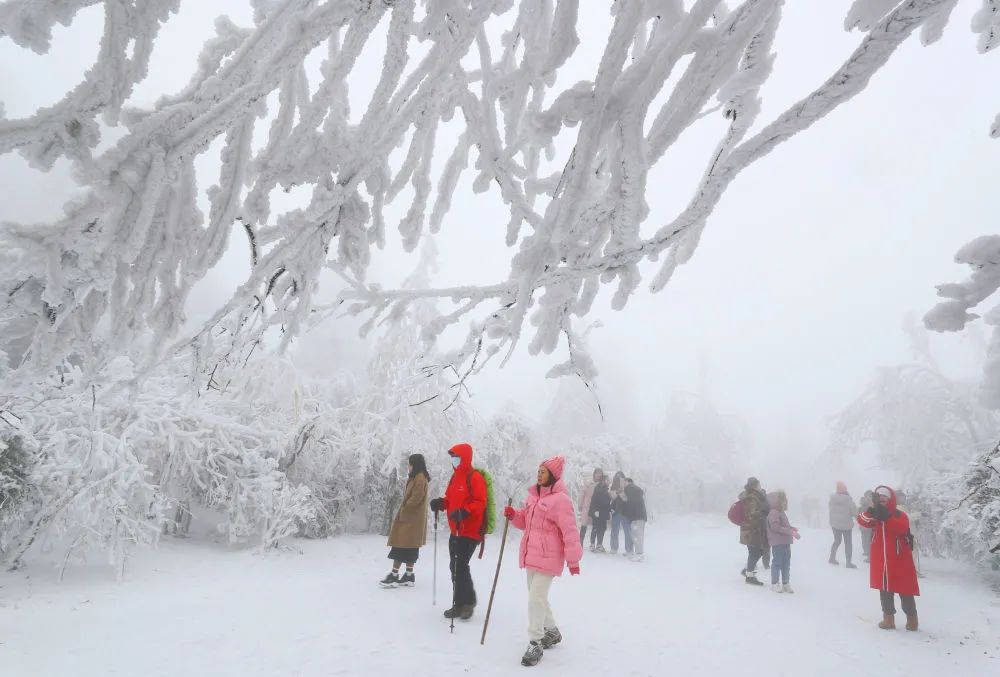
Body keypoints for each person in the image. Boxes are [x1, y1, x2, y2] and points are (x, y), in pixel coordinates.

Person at [503, 455, 583, 667]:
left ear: (553, 476)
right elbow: (525, 523)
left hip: (549, 557)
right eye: (538, 470)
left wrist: (573, 560)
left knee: (534, 598)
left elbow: (570, 531)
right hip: (530, 555)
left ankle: (535, 642)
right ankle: (553, 631)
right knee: (537, 597)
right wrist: (514, 515)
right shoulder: (533, 497)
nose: (539, 474)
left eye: (543, 471)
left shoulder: (561, 500)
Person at [428, 443, 487, 620]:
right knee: (455, 566)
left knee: (459, 566)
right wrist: (441, 503)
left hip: (470, 531)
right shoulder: (455, 478)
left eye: (456, 456)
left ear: (465, 458)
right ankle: (460, 603)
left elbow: (480, 501)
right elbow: (450, 499)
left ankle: (466, 604)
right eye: (452, 457)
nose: (454, 460)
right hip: (456, 530)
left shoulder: (474, 477)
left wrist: (465, 511)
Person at [857, 485, 920, 631]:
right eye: (879, 496)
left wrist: (887, 517)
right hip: (882, 559)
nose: (882, 499)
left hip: (899, 559)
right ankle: (888, 619)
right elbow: (862, 521)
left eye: (885, 496)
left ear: (891, 499)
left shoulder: (900, 514)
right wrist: (872, 510)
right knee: (884, 589)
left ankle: (912, 620)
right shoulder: (876, 514)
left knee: (905, 591)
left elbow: (902, 528)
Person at [379, 453, 430, 588]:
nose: (408, 466)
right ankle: (408, 575)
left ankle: (394, 576)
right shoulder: (419, 477)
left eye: (410, 464)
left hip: (409, 520)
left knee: (400, 546)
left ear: (415, 464)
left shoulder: (419, 478)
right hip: (413, 521)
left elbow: (417, 497)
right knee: (410, 548)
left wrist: (405, 509)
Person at [766, 490, 800, 593]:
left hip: (785, 541)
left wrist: (791, 528)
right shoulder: (773, 512)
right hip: (778, 542)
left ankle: (786, 583)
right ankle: (775, 583)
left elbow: (784, 526)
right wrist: (790, 531)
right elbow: (775, 527)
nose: (785, 501)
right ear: (776, 500)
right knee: (777, 563)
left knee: (786, 563)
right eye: (782, 499)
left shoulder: (781, 512)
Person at [738, 477, 769, 586]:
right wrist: (764, 513)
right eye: (759, 485)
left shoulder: (748, 496)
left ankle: (748, 571)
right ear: (755, 486)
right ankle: (749, 576)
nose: (760, 487)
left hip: (748, 529)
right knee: (757, 551)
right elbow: (753, 514)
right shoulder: (752, 498)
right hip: (753, 530)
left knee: (754, 551)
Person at [829, 481, 858, 568]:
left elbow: (831, 511)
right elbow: (854, 512)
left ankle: (832, 558)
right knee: (848, 543)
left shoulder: (832, 499)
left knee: (837, 541)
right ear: (845, 490)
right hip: (846, 526)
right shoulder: (849, 499)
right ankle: (848, 563)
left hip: (835, 525)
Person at [608, 471, 633, 555]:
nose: (619, 478)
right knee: (614, 530)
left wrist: (622, 492)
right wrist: (616, 492)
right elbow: (612, 497)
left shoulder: (627, 486)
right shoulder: (613, 486)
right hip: (616, 511)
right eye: (617, 476)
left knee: (627, 531)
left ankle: (629, 550)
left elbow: (627, 499)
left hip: (625, 512)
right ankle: (614, 548)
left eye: (621, 476)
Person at [578, 468, 604, 543]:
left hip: (596, 508)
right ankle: (580, 542)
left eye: (600, 473)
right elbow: (582, 494)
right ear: (594, 474)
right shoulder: (589, 483)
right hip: (587, 506)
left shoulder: (602, 484)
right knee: (584, 524)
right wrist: (580, 504)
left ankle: (594, 543)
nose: (599, 475)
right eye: (597, 473)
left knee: (596, 525)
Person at [623, 478, 647, 562]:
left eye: (624, 482)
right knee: (635, 535)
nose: (623, 484)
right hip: (637, 516)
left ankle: (639, 554)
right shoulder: (634, 489)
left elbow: (629, 503)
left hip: (638, 516)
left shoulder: (630, 488)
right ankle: (636, 553)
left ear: (628, 482)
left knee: (638, 535)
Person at [588, 475, 612, 552]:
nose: (609, 482)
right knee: (595, 527)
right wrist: (595, 511)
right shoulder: (598, 488)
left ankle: (599, 544)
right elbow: (594, 500)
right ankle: (592, 544)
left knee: (602, 528)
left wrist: (610, 509)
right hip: (597, 512)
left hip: (603, 512)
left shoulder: (605, 489)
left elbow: (606, 502)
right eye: (608, 480)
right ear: (604, 480)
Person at [859, 490, 874, 563]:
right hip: (866, 524)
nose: (869, 497)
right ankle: (867, 553)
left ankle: (869, 555)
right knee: (866, 539)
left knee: (868, 540)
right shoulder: (868, 503)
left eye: (870, 495)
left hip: (868, 525)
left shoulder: (867, 503)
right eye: (868, 495)